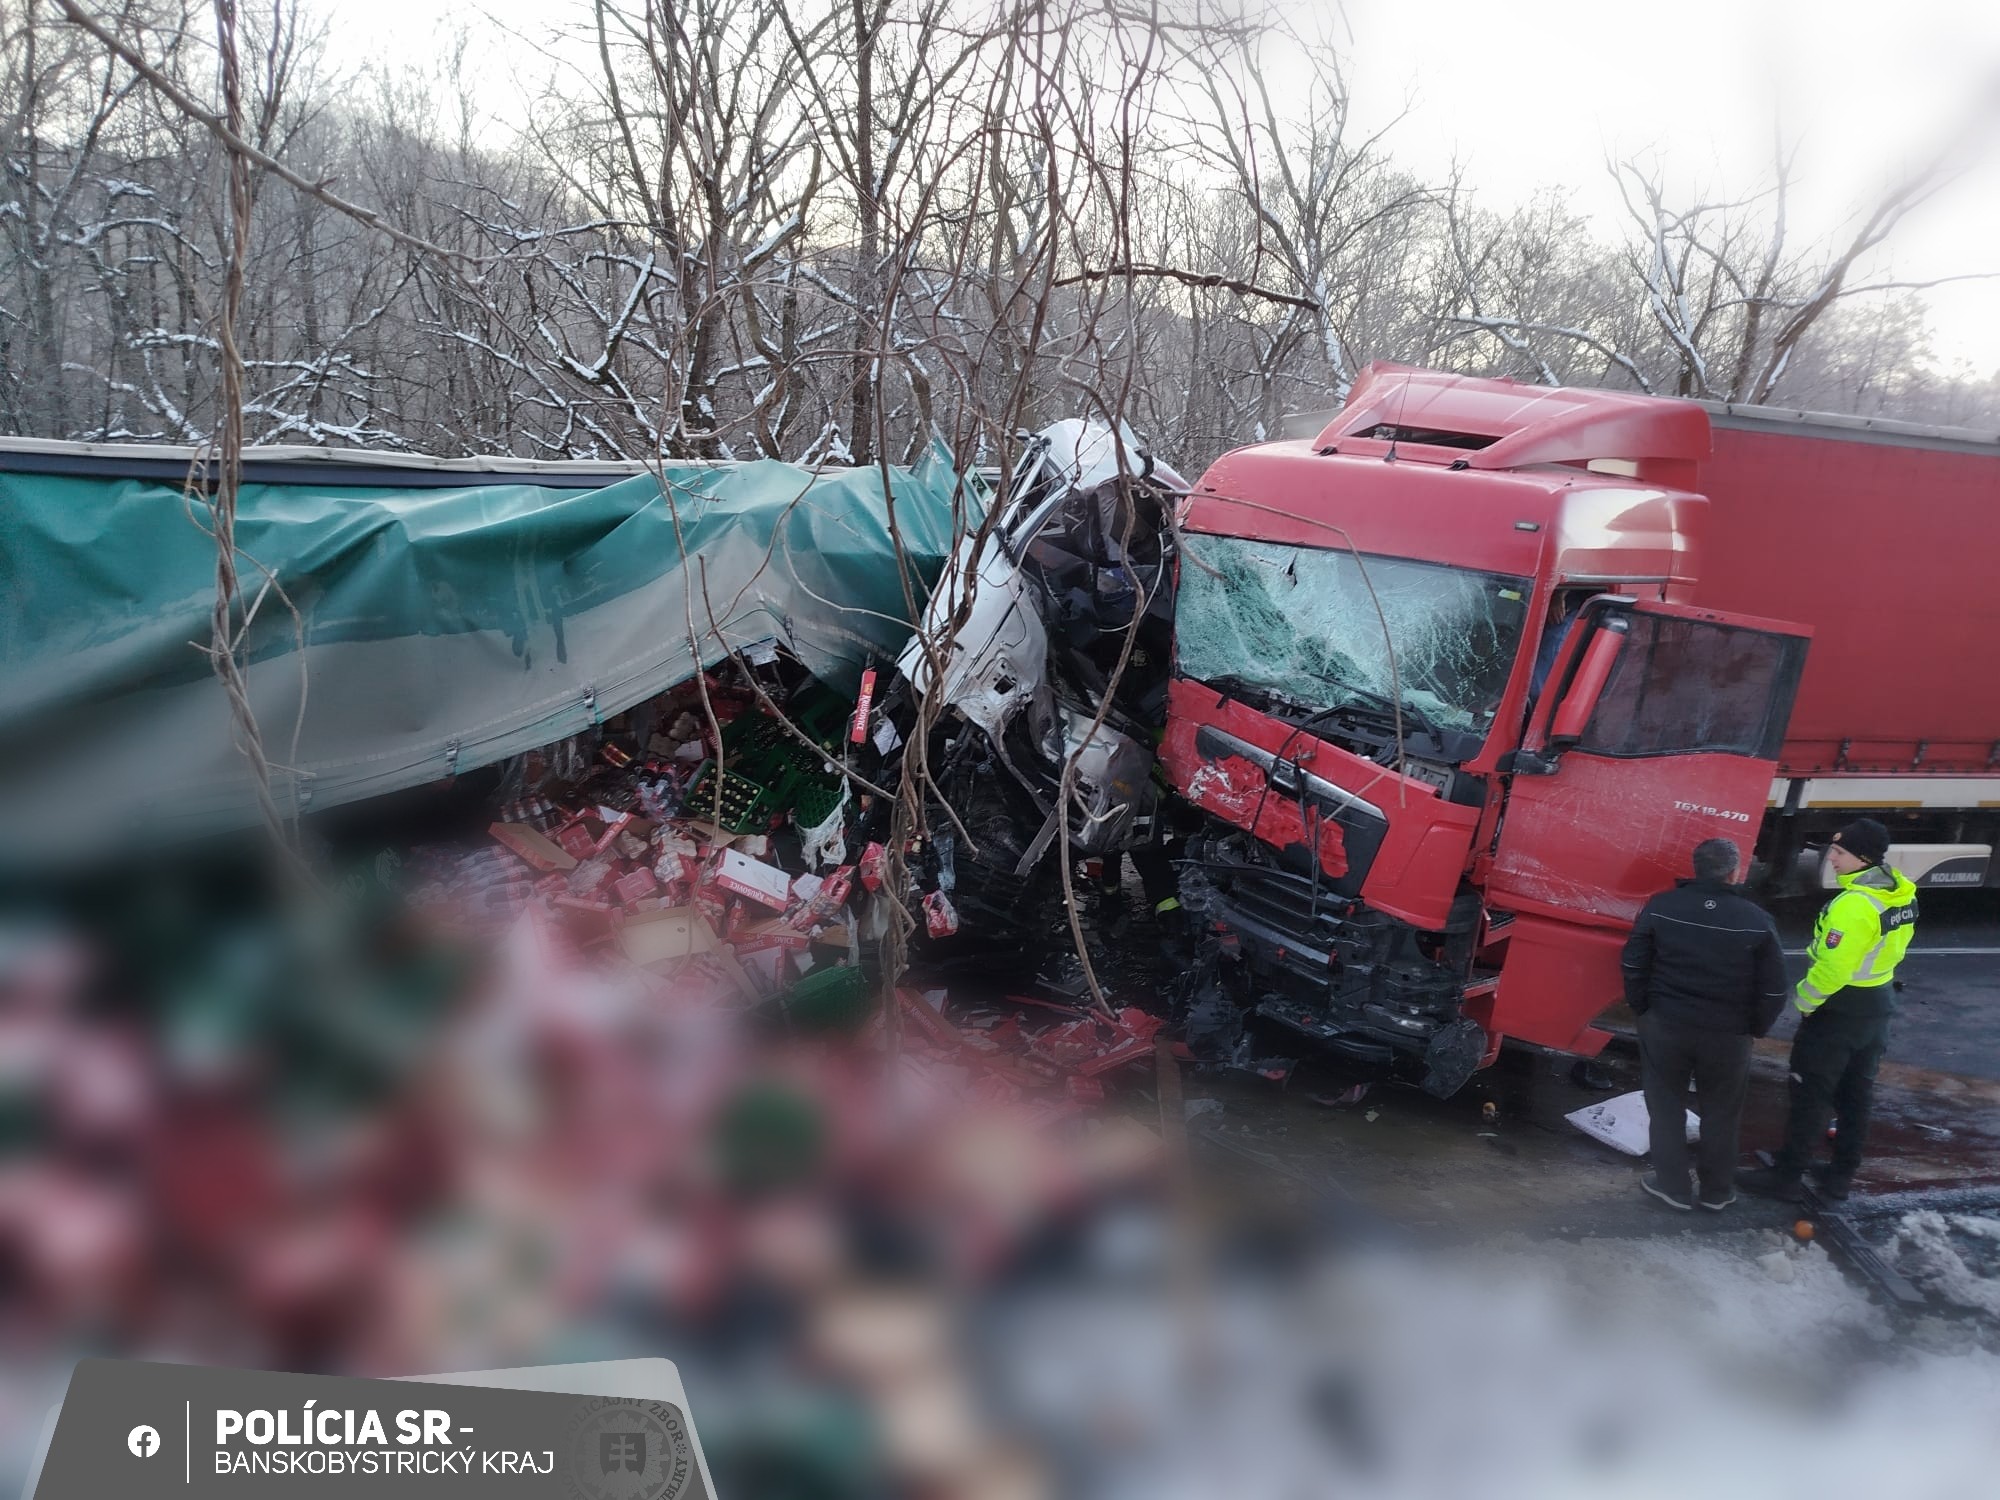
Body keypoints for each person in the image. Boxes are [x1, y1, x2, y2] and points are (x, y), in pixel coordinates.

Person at [1739, 818, 1917, 1202]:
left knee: (1811, 1092)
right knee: (1856, 1094)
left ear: (1863, 858)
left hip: (1840, 1009)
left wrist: (1805, 1002)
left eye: (1839, 852)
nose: (1831, 859)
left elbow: (1834, 968)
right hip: (1878, 1002)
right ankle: (1840, 1175)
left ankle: (1787, 1176)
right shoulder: (1899, 893)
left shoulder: (1854, 905)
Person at [1620, 837, 1788, 1211]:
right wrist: (1754, 1028)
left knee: (1665, 1107)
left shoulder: (1662, 907)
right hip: (1728, 1034)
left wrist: (1642, 1008)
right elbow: (1775, 990)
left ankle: (1673, 1187)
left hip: (1666, 1024)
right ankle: (1717, 1191)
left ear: (1695, 869)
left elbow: (1634, 962)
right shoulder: (1756, 920)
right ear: (1734, 872)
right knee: (1722, 1112)